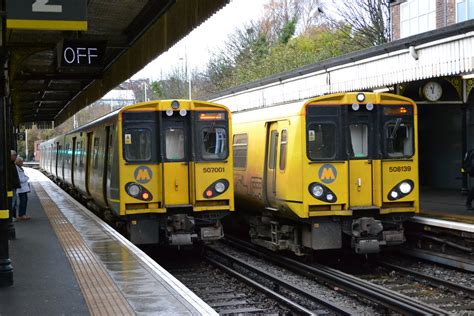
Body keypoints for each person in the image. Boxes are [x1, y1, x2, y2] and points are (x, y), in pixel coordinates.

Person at [9, 150, 21, 220]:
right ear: (11, 156)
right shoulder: (10, 164)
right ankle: (10, 217)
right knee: (12, 202)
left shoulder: (12, 164)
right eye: (15, 155)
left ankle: (12, 216)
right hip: (12, 187)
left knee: (13, 202)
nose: (16, 157)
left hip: (13, 187)